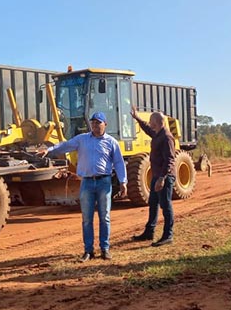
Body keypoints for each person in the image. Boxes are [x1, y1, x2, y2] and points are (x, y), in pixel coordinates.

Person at [38, 112, 127, 261]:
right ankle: (88, 251)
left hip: (104, 182)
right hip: (86, 183)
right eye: (92, 122)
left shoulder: (111, 142)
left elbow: (118, 162)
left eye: (98, 122)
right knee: (87, 218)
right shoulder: (82, 139)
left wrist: (123, 182)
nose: (95, 125)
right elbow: (65, 145)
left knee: (104, 217)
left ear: (105, 124)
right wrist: (49, 150)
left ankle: (105, 249)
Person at [130, 106, 176, 246]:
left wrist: (162, 178)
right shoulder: (157, 134)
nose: (149, 123)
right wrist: (137, 118)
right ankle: (149, 232)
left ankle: (168, 235)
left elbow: (170, 160)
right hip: (157, 175)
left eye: (151, 120)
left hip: (165, 177)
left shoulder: (167, 137)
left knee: (165, 205)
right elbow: (147, 129)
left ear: (157, 121)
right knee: (153, 203)